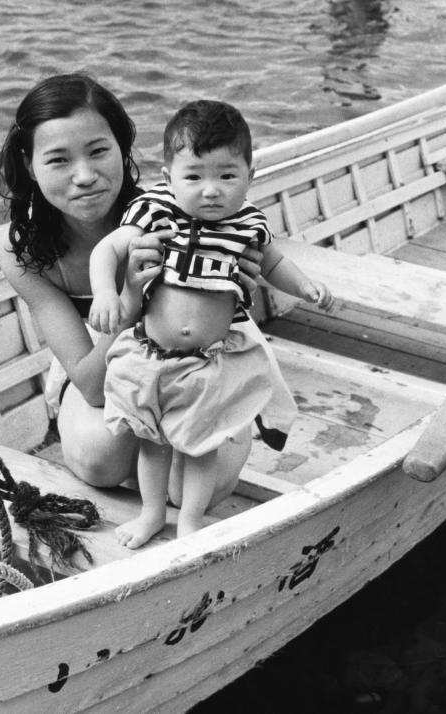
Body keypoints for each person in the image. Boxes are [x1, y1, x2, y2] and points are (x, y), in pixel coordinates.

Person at [0, 74, 266, 514]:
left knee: (196, 490)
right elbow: (91, 385)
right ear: (29, 165)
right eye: (59, 160)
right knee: (100, 458)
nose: (84, 177)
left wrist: (243, 279)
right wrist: (129, 302)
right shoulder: (20, 250)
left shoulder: (169, 214)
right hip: (103, 369)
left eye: (99, 151)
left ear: (122, 149)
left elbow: (254, 241)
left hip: (201, 365)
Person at [89, 99, 335, 548]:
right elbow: (107, 249)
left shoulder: (247, 225)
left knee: (201, 446)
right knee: (152, 442)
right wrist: (106, 292)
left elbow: (276, 263)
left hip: (209, 362)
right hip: (150, 355)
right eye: (194, 176)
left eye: (227, 176)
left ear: (250, 176)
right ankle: (150, 514)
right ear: (169, 179)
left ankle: (190, 521)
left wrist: (306, 287)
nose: (211, 190)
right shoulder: (154, 213)